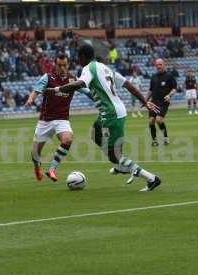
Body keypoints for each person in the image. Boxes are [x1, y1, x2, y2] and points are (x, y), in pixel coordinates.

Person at [45, 44, 161, 192]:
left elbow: (80, 83)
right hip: (113, 111)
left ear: (82, 57)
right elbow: (128, 85)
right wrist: (145, 101)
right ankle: (120, 166)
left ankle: (151, 179)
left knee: (115, 155)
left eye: (78, 58)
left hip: (111, 114)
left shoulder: (88, 68)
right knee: (95, 133)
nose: (78, 61)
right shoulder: (106, 68)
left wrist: (56, 90)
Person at [25, 53, 89, 182]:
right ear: (55, 65)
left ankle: (52, 169)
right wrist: (31, 99)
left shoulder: (72, 80)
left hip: (62, 119)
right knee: (35, 151)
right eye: (59, 65)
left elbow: (87, 91)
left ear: (68, 65)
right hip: (45, 120)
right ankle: (37, 166)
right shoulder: (47, 77)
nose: (62, 68)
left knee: (67, 139)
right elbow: (36, 90)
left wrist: (100, 99)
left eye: (64, 65)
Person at [147, 59, 177, 146]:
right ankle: (154, 140)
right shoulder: (153, 77)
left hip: (163, 102)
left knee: (159, 120)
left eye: (160, 64)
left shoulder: (169, 76)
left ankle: (165, 138)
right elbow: (150, 90)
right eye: (157, 65)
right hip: (154, 102)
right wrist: (145, 100)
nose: (158, 66)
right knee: (151, 120)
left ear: (164, 65)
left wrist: (169, 95)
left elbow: (174, 88)